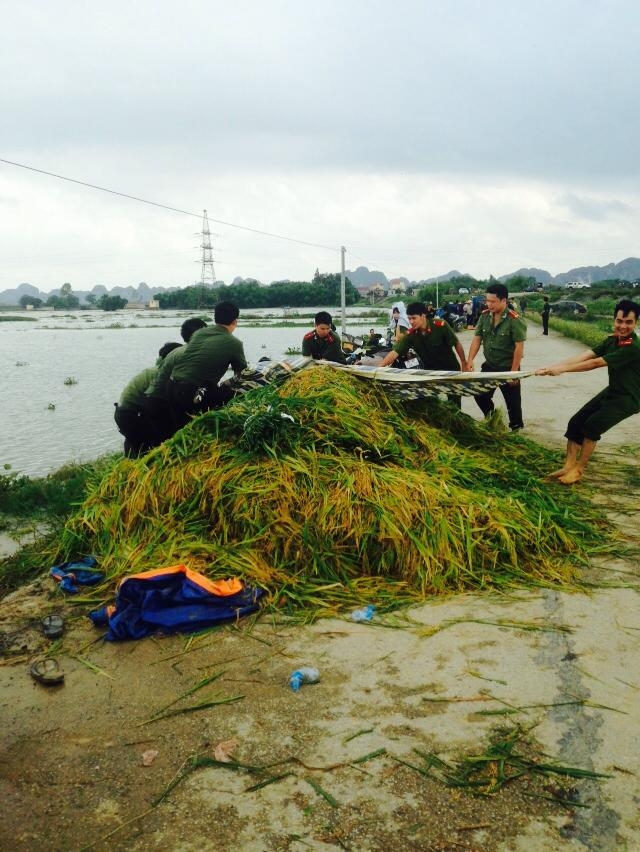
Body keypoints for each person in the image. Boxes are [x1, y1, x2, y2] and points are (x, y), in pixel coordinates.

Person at [535, 299, 640, 485]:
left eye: (628, 322)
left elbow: (595, 363)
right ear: (614, 319)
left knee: (592, 427)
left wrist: (562, 370)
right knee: (576, 422)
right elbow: (586, 355)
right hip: (613, 391)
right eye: (619, 321)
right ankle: (568, 466)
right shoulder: (612, 340)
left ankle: (579, 469)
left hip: (628, 398)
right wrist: (553, 367)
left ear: (636, 323)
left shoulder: (633, 347)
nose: (623, 326)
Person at [168, 301, 247, 429]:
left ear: (215, 318)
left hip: (171, 387)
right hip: (192, 393)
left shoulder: (199, 333)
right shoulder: (234, 343)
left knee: (182, 429)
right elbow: (242, 375)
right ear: (235, 321)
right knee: (237, 394)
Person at [380, 301, 467, 407]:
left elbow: (456, 343)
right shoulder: (411, 334)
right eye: (409, 318)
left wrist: (464, 362)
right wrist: (379, 367)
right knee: (430, 405)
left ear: (423, 316)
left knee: (455, 406)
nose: (411, 321)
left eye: (414, 318)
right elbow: (394, 353)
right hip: (430, 372)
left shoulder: (440, 326)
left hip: (450, 370)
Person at [466, 283, 527, 431]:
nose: (489, 304)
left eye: (493, 301)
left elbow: (519, 347)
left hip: (508, 367)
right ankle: (494, 420)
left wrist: (513, 373)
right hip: (490, 366)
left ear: (504, 300)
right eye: (487, 300)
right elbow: (477, 339)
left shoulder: (514, 319)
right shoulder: (485, 316)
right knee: (479, 394)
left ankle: (516, 429)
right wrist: (470, 360)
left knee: (513, 403)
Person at [144, 316, 207, 444]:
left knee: (169, 442)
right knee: (173, 442)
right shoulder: (190, 353)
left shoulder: (181, 351)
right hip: (162, 402)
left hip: (155, 400)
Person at [114, 341, 182, 457]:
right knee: (149, 449)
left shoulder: (156, 369)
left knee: (137, 444)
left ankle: (132, 463)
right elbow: (154, 403)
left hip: (125, 413)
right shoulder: (162, 373)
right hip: (132, 415)